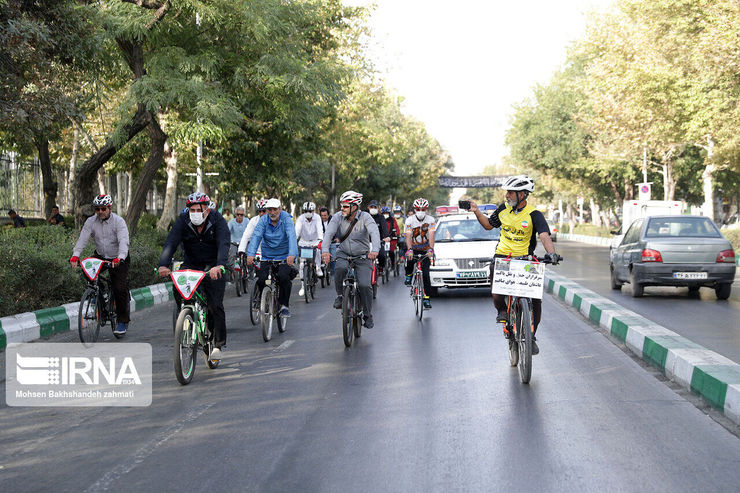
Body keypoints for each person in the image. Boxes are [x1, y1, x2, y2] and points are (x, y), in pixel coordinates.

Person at [469, 174, 560, 355]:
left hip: (525, 259)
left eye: (511, 192)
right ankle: (503, 311)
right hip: (503, 256)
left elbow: (544, 236)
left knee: (536, 299)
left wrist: (551, 254)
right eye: (507, 192)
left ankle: (531, 334)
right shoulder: (503, 209)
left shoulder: (534, 215)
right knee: (496, 293)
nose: (507, 196)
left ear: (523, 194)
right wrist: (477, 211)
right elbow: (488, 225)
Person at [158, 192, 230, 360]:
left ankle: (218, 343)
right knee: (178, 287)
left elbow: (223, 243)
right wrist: (163, 264)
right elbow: (171, 242)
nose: (195, 213)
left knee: (215, 305)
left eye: (199, 209)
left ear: (207, 210)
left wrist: (219, 265)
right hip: (191, 264)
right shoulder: (183, 221)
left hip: (213, 266)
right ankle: (186, 316)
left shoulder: (217, 220)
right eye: (192, 209)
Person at [70, 195, 131, 335]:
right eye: (97, 209)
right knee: (86, 268)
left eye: (103, 208)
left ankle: (122, 321)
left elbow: (124, 241)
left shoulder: (119, 222)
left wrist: (120, 258)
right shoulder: (91, 221)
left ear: (110, 208)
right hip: (101, 255)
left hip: (118, 257)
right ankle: (100, 292)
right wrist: (75, 255)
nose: (100, 212)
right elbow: (83, 239)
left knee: (119, 288)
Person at [322, 191, 380, 328]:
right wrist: (325, 251)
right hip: (343, 253)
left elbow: (374, 233)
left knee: (365, 285)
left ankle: (367, 314)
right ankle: (340, 296)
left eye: (345, 206)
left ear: (355, 207)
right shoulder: (337, 217)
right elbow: (328, 234)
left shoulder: (366, 217)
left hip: (363, 255)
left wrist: (375, 250)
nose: (342, 209)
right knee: (340, 268)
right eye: (341, 206)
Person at [246, 198, 298, 318]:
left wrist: (292, 254)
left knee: (283, 277)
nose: (272, 212)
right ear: (267, 210)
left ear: (280, 209)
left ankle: (284, 305)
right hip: (267, 256)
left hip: (284, 256)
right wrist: (251, 254)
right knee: (261, 279)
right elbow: (256, 236)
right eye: (270, 210)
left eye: (275, 209)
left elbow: (291, 236)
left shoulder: (286, 219)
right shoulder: (263, 220)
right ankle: (263, 299)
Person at [404, 198, 436, 309]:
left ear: (426, 209)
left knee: (426, 275)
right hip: (413, 248)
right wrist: (409, 249)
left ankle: (427, 299)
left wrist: (431, 249)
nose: (421, 211)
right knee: (409, 259)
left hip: (426, 249)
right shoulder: (409, 220)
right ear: (415, 209)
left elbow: (431, 234)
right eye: (418, 209)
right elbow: (408, 235)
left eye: (423, 209)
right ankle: (408, 275)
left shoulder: (431, 219)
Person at [295, 201, 324, 297]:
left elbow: (320, 229)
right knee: (302, 265)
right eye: (306, 210)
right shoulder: (300, 219)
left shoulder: (317, 218)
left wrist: (320, 240)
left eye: (310, 210)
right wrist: (294, 240)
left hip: (315, 241)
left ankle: (318, 267)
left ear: (313, 211)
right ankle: (303, 286)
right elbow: (297, 231)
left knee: (318, 251)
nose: (308, 212)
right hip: (303, 242)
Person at [367, 199, 390, 276]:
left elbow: (385, 228)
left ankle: (381, 268)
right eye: (371, 207)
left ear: (378, 208)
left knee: (382, 255)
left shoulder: (381, 217)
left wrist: (386, 236)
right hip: (366, 242)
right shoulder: (365, 216)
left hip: (378, 242)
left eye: (375, 207)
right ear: (368, 207)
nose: (373, 208)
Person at [319, 206, 338, 275]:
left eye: (325, 215)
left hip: (332, 241)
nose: (323, 217)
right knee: (318, 256)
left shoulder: (333, 220)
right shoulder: (318, 221)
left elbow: (337, 229)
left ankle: (333, 274)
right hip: (322, 242)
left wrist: (337, 238)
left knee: (334, 258)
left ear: (328, 215)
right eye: (322, 215)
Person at [382, 206, 400, 271]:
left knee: (391, 252)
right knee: (381, 253)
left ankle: (393, 264)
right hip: (383, 238)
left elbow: (396, 228)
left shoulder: (392, 220)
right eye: (384, 213)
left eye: (386, 213)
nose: (385, 214)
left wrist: (397, 234)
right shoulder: (380, 219)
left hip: (392, 238)